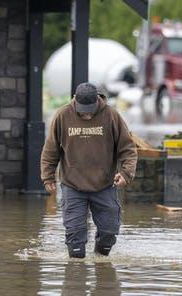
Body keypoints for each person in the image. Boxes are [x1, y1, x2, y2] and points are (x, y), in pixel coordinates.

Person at [40, 82, 137, 258]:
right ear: (75, 101)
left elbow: (127, 149)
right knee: (75, 240)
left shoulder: (111, 115)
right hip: (72, 185)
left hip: (104, 185)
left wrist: (125, 174)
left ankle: (101, 270)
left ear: (97, 102)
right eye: (82, 110)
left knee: (109, 233)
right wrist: (48, 177)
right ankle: (76, 277)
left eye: (90, 110)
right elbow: (51, 149)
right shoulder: (63, 115)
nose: (86, 114)